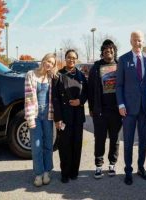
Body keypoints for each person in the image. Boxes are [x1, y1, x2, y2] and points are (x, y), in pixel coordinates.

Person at [116, 31, 146, 185]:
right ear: (130, 41)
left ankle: (141, 167)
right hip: (128, 109)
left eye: (140, 40)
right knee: (129, 141)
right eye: (135, 40)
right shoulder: (123, 59)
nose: (138, 43)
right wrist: (121, 104)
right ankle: (128, 170)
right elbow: (119, 85)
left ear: (143, 42)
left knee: (143, 140)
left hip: (144, 108)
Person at [88, 39, 122, 179]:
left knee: (115, 139)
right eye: (106, 50)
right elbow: (90, 89)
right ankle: (98, 166)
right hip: (100, 111)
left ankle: (112, 164)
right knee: (100, 139)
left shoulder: (120, 66)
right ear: (102, 53)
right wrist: (91, 108)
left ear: (114, 51)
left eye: (111, 50)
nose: (109, 52)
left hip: (116, 110)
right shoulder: (96, 68)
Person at [52, 49, 88, 183]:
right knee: (64, 145)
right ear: (65, 58)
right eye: (69, 57)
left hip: (78, 116)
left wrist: (81, 101)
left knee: (76, 144)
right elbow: (55, 98)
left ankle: (74, 171)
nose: (71, 60)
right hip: (64, 117)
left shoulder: (81, 75)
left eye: (73, 58)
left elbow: (87, 92)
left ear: (76, 59)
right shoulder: (58, 75)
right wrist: (58, 118)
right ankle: (65, 173)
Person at [24, 53, 58, 187]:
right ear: (43, 60)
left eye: (52, 63)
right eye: (48, 61)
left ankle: (47, 172)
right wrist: (30, 118)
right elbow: (28, 98)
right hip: (35, 116)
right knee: (37, 145)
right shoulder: (30, 75)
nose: (49, 64)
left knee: (48, 144)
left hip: (48, 116)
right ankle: (38, 174)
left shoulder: (51, 77)